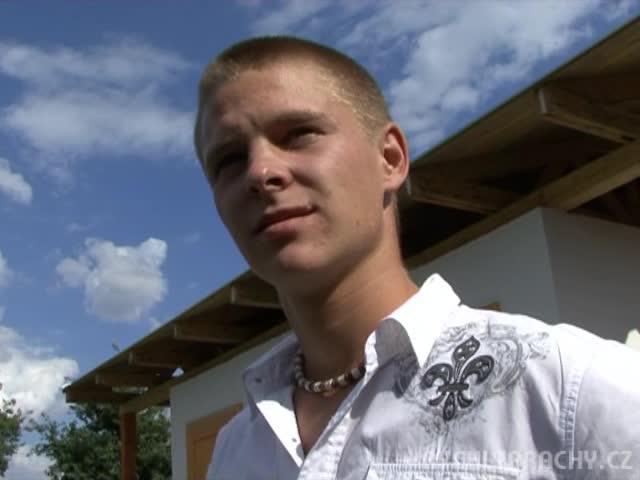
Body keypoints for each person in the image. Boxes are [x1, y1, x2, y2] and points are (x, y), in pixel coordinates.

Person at [194, 36, 640, 479]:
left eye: (298, 134)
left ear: (390, 159)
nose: (260, 172)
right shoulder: (234, 450)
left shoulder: (569, 388)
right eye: (229, 160)